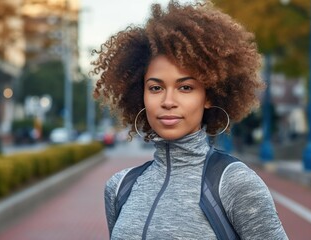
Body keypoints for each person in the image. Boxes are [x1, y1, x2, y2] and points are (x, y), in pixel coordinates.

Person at [91, 1, 288, 239]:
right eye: (155, 88)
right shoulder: (120, 188)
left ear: (208, 95)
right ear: (140, 93)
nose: (168, 101)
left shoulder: (233, 182)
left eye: (185, 87)